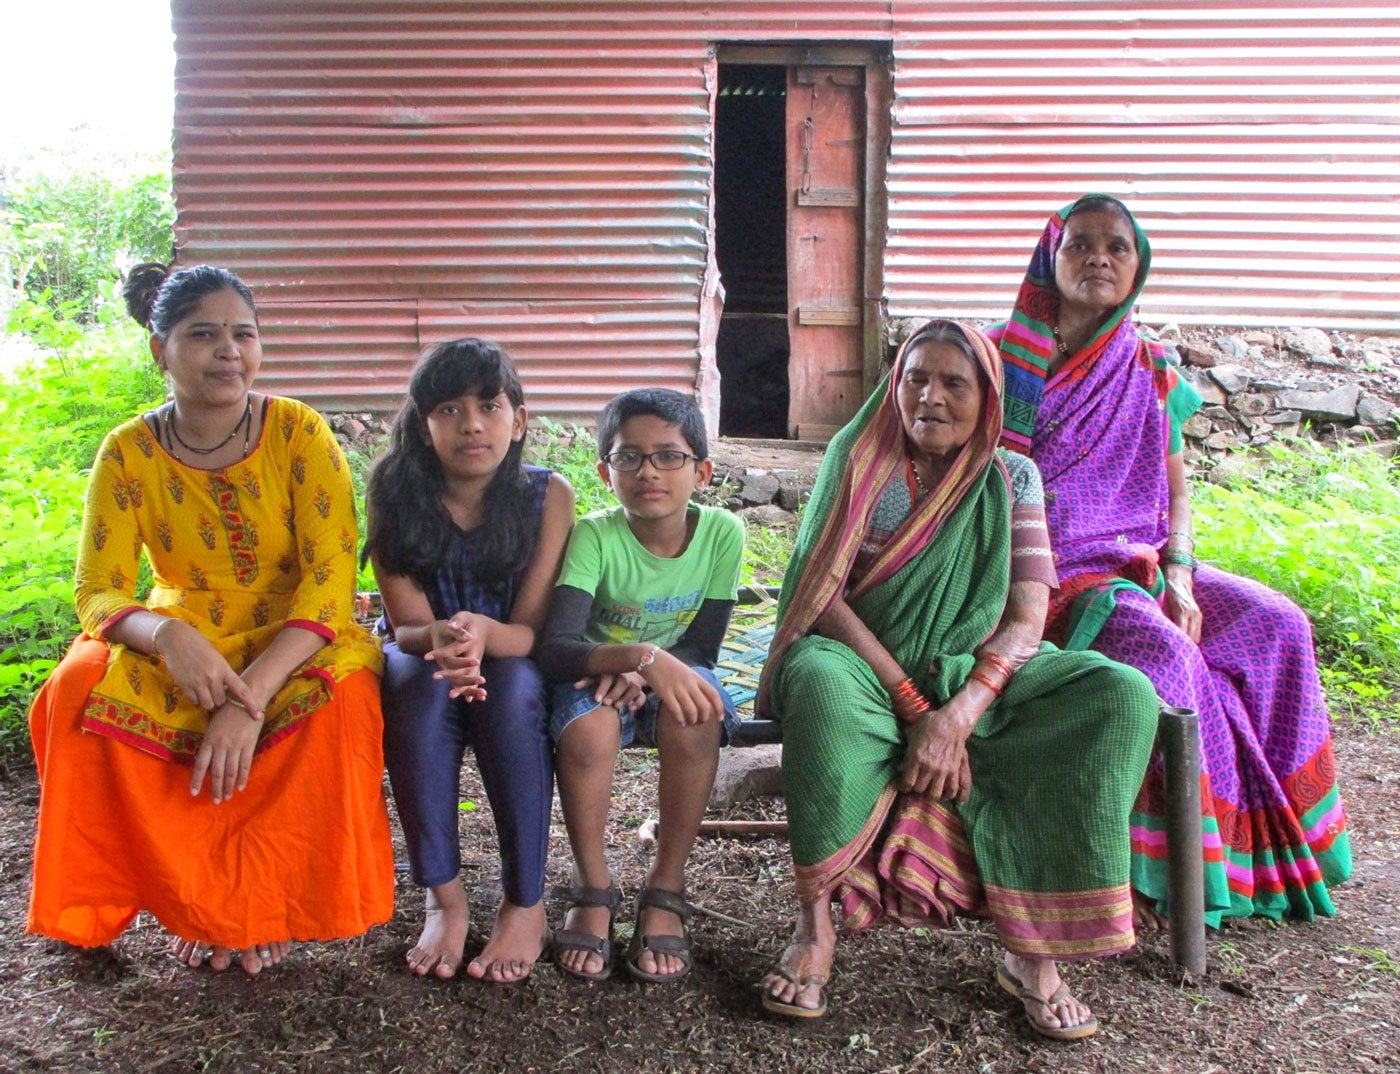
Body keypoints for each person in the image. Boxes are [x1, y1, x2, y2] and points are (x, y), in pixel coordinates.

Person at [757, 319, 1159, 1041]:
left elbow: (1028, 613)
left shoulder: (1012, 477)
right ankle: (814, 925)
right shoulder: (860, 463)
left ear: (988, 395)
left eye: (953, 382)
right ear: (894, 383)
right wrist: (914, 704)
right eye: (915, 378)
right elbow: (821, 596)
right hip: (866, 669)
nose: (929, 397)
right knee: (814, 679)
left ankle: (1031, 952)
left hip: (974, 676)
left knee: (1119, 695)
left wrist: (960, 712)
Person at [989, 195, 1352, 927]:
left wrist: (1181, 574)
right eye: (1080, 244)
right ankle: (1177, 867)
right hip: (1055, 576)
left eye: (1117, 247)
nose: (1098, 258)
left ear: (1138, 266)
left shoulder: (1149, 367)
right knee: (1170, 659)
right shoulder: (1001, 359)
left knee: (1280, 624)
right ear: (1048, 258)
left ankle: (1288, 844)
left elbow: (1178, 495)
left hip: (1147, 562)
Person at [26, 263, 393, 974]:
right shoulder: (127, 452)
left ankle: (261, 909)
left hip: (296, 634)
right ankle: (177, 902)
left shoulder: (300, 432)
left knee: (343, 704)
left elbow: (328, 582)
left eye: (243, 334)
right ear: (159, 350)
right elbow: (98, 592)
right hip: (180, 634)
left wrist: (248, 697)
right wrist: (167, 637)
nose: (229, 351)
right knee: (75, 690)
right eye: (204, 334)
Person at [364, 339, 574, 983]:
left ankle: (526, 903)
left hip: (511, 651)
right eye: (449, 409)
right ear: (424, 427)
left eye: (489, 405)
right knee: (415, 689)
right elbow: (403, 625)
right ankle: (444, 900)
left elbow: (531, 631)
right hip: (421, 648)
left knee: (512, 694)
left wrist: (483, 634)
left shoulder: (548, 495)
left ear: (519, 420)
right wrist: (450, 641)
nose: (472, 424)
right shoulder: (393, 490)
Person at [536, 388, 744, 983]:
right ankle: (592, 884)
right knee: (589, 726)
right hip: (597, 672)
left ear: (700, 471)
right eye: (629, 457)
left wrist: (653, 666)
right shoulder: (595, 536)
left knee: (697, 712)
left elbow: (702, 647)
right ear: (605, 472)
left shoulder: (722, 534)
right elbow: (557, 647)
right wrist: (633, 658)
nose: (648, 470)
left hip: (667, 669)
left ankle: (665, 886)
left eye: (669, 456)